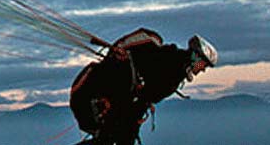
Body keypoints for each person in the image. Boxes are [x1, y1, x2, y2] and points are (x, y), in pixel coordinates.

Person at [70, 28, 219, 145]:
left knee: (107, 139)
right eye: (203, 64)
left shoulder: (172, 64)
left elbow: (144, 98)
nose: (203, 69)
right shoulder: (173, 66)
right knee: (107, 140)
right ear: (195, 57)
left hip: (118, 103)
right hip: (118, 101)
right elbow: (145, 97)